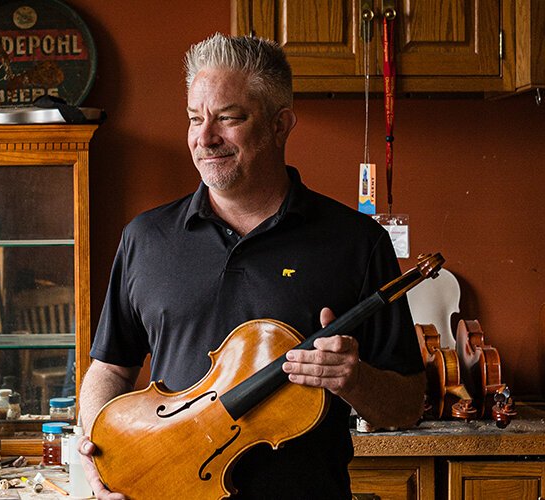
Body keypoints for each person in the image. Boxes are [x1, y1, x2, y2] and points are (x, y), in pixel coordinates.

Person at [76, 33, 427, 499]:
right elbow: (109, 369)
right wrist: (99, 454)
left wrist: (355, 379)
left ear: (280, 125)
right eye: (195, 119)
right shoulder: (146, 237)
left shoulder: (356, 243)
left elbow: (405, 405)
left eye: (229, 118)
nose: (205, 138)